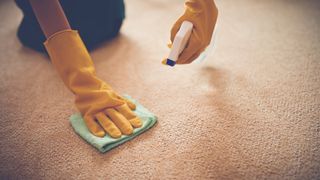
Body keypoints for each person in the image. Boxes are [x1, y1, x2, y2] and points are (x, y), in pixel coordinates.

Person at [15, 0, 218, 138]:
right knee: (40, 32)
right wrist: (82, 80)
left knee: (108, 21)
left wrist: (200, 5)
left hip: (108, 15)